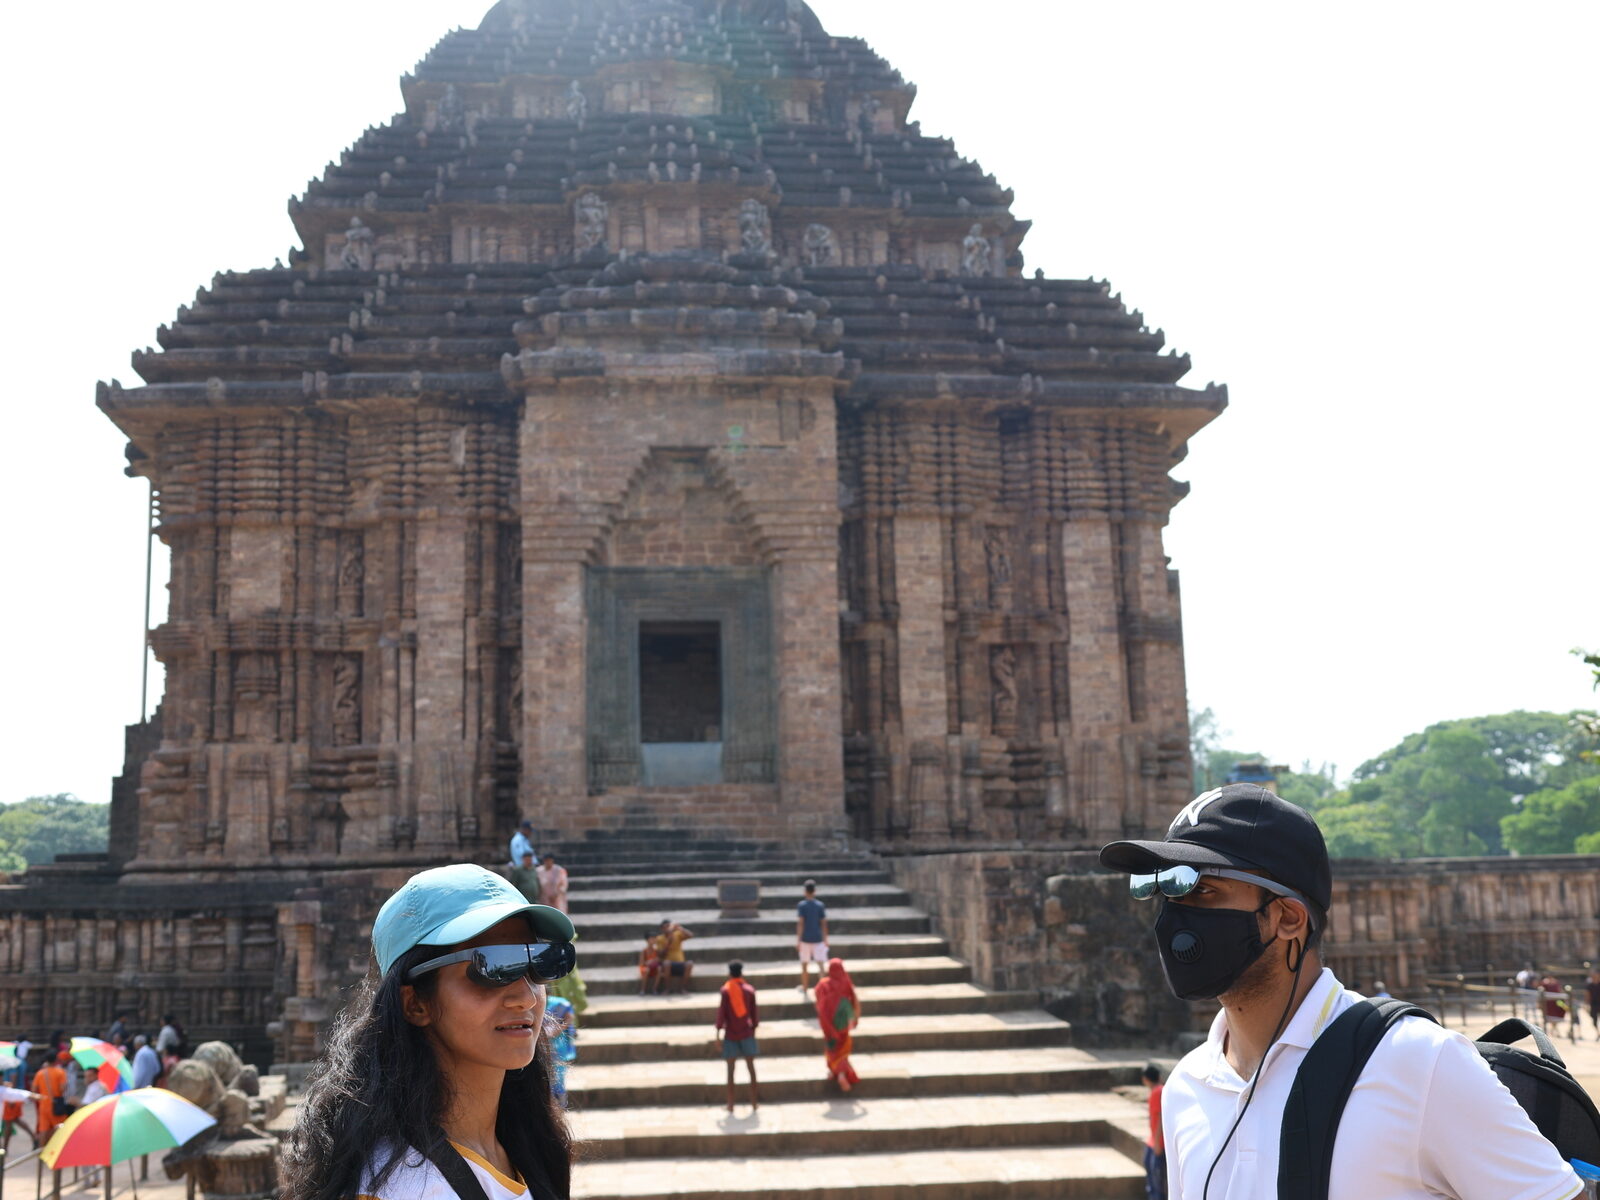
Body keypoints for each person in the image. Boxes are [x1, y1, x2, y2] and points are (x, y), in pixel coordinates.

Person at [1098, 782, 1583, 1200]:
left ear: (1288, 917)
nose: (1173, 916)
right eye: (1159, 889)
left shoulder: (1415, 1061)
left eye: (1201, 890)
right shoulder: (1188, 1084)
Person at [281, 863, 578, 1200]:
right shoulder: (397, 1188)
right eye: (492, 967)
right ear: (415, 1003)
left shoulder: (527, 1149)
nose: (525, 997)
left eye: (539, 962)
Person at [715, 962, 760, 1112]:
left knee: (730, 1070)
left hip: (731, 1034)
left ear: (729, 974)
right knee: (751, 1069)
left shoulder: (726, 990)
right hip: (747, 1032)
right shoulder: (749, 990)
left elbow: (722, 1014)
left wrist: (718, 1034)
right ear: (742, 974)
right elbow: (754, 1015)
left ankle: (730, 1104)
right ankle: (754, 1102)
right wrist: (753, 1031)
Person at [814, 958, 859, 1092]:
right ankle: (841, 1073)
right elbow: (853, 999)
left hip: (827, 1021)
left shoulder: (823, 984)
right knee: (842, 1046)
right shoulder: (846, 982)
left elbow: (817, 996)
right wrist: (854, 1019)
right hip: (842, 1021)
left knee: (831, 1045)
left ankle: (833, 1070)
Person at [32, 1050, 72, 1146]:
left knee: (43, 1130)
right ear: (56, 1060)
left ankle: (41, 1154)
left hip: (43, 1105)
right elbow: (62, 1089)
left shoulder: (40, 1073)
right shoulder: (60, 1072)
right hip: (56, 1104)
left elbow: (33, 1089)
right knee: (60, 1128)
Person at [543, 996, 577, 1109]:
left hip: (559, 1050)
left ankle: (560, 1109)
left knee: (558, 1082)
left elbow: (569, 1018)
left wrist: (560, 1027)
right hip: (542, 1051)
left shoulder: (561, 1005)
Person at [796, 879, 829, 993]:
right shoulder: (820, 905)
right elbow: (823, 923)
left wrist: (798, 940)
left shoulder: (802, 905)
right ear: (815, 891)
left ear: (805, 891)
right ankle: (824, 989)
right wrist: (825, 939)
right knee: (821, 965)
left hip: (805, 939)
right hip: (818, 938)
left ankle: (805, 987)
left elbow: (801, 923)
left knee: (805, 965)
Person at [1142, 1064, 1165, 1200]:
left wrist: (1157, 1143)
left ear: (1145, 1079)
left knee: (1157, 1181)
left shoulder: (1158, 1092)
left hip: (1158, 1143)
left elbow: (1161, 1117)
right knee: (1152, 1178)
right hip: (1153, 1141)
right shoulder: (1157, 1091)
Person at [659, 919, 695, 995]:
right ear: (662, 929)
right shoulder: (660, 939)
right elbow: (661, 954)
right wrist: (669, 942)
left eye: (669, 926)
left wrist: (681, 928)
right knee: (666, 963)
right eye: (666, 927)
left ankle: (682, 989)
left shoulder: (677, 934)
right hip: (668, 966)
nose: (668, 928)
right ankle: (667, 989)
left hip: (680, 964)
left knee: (690, 963)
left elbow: (691, 935)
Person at [1, 1084, 39, 1153]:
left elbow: (9, 1088)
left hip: (11, 1101)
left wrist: (11, 1100)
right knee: (16, 1120)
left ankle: (4, 1148)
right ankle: (34, 1138)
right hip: (12, 1099)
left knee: (9, 1124)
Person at [638, 928, 664, 996]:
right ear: (647, 940)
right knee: (647, 970)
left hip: (653, 968)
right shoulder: (644, 951)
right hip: (646, 968)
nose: (653, 940)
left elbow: (660, 960)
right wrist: (648, 962)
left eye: (654, 938)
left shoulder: (656, 950)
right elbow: (641, 963)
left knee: (659, 969)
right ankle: (642, 990)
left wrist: (656, 960)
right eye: (651, 938)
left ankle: (654, 989)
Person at [1586, 968, 1600, 1036]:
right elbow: (1588, 994)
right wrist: (1587, 1003)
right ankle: (1598, 1033)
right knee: (1594, 1020)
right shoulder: (1590, 985)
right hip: (1593, 1004)